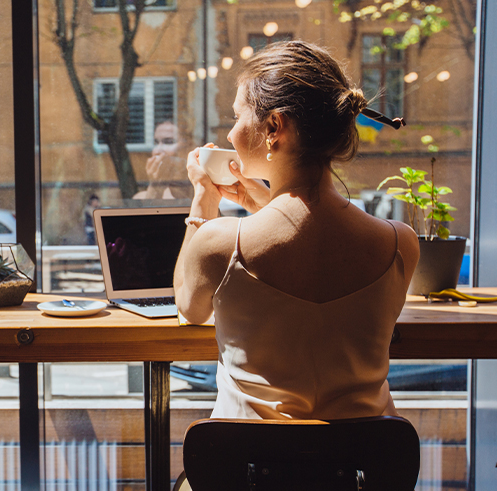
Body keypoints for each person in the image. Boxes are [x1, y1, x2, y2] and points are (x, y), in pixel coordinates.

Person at [173, 40, 420, 420]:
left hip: (247, 471)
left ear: (274, 127)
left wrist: (203, 200)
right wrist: (264, 207)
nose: (230, 134)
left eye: (238, 116)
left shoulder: (221, 242)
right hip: (359, 471)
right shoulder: (400, 245)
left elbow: (189, 309)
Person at [133, 121, 194, 200]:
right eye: (156, 143)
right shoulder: (140, 198)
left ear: (187, 148)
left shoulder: (202, 191)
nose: (157, 151)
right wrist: (155, 188)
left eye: (168, 142)